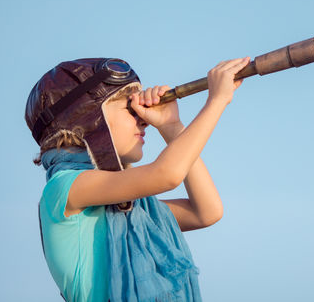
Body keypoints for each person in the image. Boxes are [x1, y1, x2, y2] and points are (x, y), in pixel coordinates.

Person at [25, 55, 250, 302]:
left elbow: (206, 211)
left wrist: (171, 126)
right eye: (130, 109)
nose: (143, 119)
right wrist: (217, 101)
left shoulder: (136, 209)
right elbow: (167, 174)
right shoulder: (64, 188)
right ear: (87, 118)